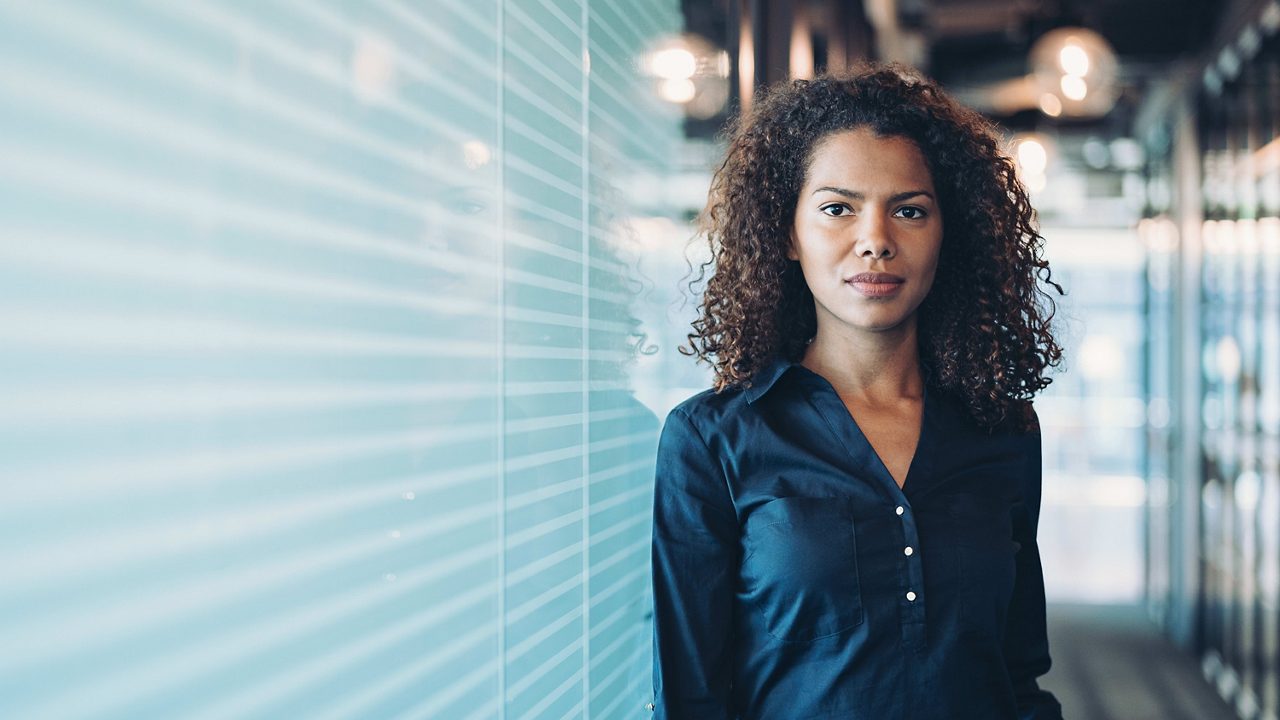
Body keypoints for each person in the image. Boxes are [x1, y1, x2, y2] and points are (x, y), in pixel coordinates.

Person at [649, 62, 1067, 719]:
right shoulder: (713, 439)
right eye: (838, 209)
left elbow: (1019, 675)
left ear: (945, 234)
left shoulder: (1003, 428)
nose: (875, 241)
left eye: (909, 210)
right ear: (787, 232)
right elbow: (691, 697)